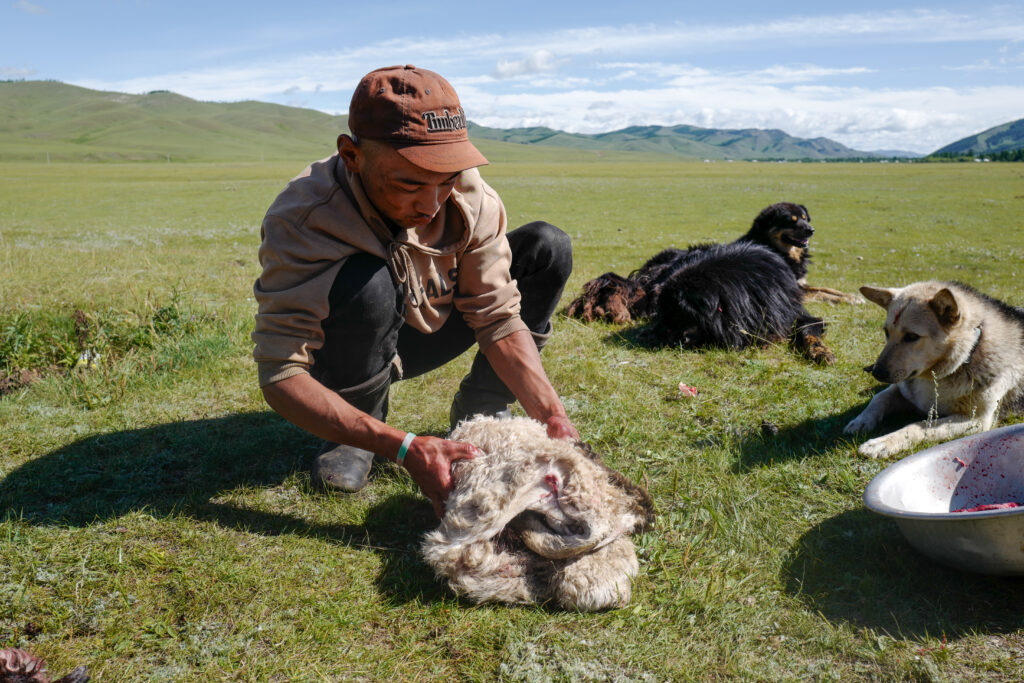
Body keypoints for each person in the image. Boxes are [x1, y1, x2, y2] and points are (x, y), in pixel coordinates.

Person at [252, 65, 578, 516]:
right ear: (351, 156)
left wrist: (551, 414)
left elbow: (498, 315)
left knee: (548, 246)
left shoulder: (470, 195)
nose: (431, 205)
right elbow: (281, 373)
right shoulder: (304, 217)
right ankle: (357, 432)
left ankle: (482, 409)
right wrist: (404, 448)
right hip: (348, 342)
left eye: (445, 179)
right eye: (408, 183)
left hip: (428, 324)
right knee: (367, 284)